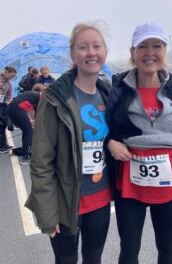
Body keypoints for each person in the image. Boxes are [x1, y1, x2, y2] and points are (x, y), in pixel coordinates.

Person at [104, 22, 172, 264]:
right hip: (129, 190)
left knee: (168, 251)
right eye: (143, 46)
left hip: (169, 191)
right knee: (129, 252)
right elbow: (103, 130)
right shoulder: (118, 89)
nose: (150, 53)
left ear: (164, 51)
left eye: (156, 46)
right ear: (132, 53)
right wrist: (111, 143)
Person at [25, 21, 111, 264]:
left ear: (105, 52)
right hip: (66, 204)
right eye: (83, 47)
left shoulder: (108, 94)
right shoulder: (55, 99)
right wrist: (47, 212)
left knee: (94, 260)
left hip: (101, 201)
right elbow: (41, 161)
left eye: (97, 46)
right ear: (73, 54)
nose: (91, 52)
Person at [7, 84, 46, 164]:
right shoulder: (40, 97)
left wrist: (34, 121)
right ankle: (26, 157)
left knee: (27, 131)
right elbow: (39, 113)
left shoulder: (34, 95)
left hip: (12, 109)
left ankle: (24, 151)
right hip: (16, 109)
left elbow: (35, 113)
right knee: (29, 131)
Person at [0, 66, 17, 153]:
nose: (12, 78)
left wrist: (10, 101)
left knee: (2, 125)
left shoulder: (9, 84)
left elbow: (9, 94)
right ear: (6, 72)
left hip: (3, 105)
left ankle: (3, 144)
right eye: (11, 76)